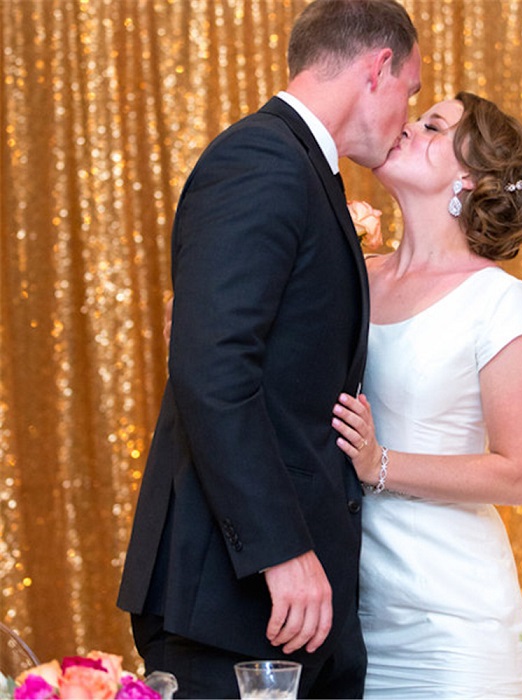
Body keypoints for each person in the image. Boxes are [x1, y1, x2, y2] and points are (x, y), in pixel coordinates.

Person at [116, 1, 421, 697]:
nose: (408, 111)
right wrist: (281, 550)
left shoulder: (301, 166)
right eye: (413, 89)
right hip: (236, 598)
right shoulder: (261, 161)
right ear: (378, 69)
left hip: (290, 606)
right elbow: (213, 368)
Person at [331, 92, 522, 698]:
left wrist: (382, 464)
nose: (408, 125)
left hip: (455, 628)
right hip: (354, 623)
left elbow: (520, 474)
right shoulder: (353, 276)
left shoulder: (498, 301)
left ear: (469, 178)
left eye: (433, 126)